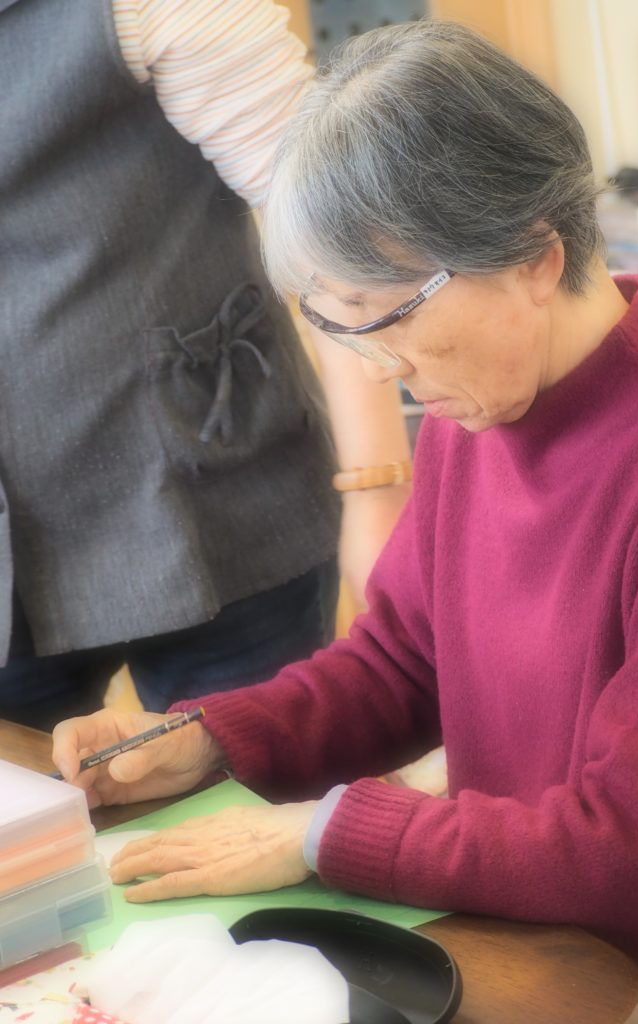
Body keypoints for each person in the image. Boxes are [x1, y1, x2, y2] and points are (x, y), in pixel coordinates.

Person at [52, 20, 638, 1024]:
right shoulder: (476, 412)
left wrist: (326, 834)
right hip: (507, 940)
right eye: (340, 323)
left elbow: (632, 849)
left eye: (385, 314)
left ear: (534, 259)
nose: (379, 368)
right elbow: (400, 664)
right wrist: (211, 738)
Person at [0, 0, 412, 730]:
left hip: (222, 506)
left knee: (253, 784)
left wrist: (377, 492)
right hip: (12, 574)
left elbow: (331, 229)